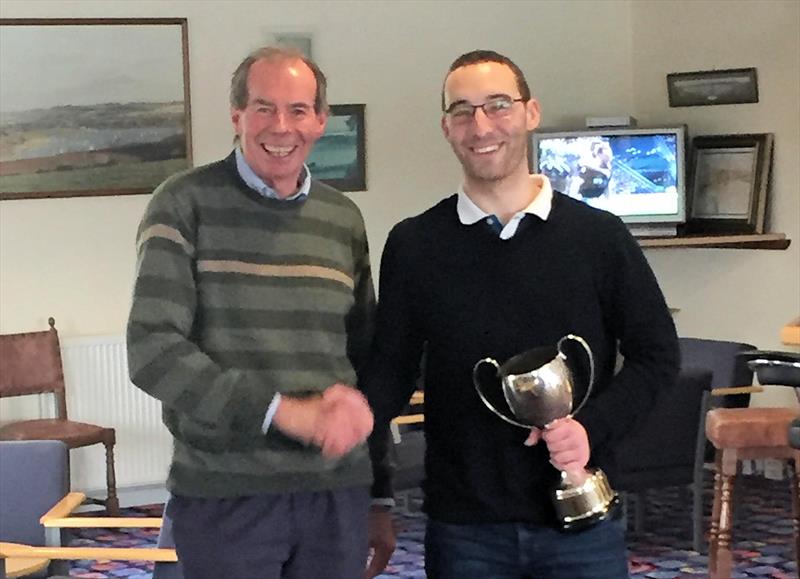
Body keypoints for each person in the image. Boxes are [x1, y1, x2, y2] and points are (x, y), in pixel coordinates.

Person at [363, 50, 679, 579]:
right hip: (465, 530)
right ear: (446, 127)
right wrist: (356, 466)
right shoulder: (415, 244)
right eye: (462, 111)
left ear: (531, 113)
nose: (481, 125)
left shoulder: (599, 238)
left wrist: (591, 429)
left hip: (582, 525)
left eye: (498, 105)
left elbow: (657, 355)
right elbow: (388, 373)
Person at [127, 46, 394, 579]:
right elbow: (152, 348)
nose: (281, 126)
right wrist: (286, 412)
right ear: (236, 117)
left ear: (320, 121)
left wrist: (380, 496)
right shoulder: (182, 203)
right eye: (263, 107)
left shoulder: (342, 219)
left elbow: (363, 364)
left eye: (298, 110)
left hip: (335, 495)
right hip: (227, 493)